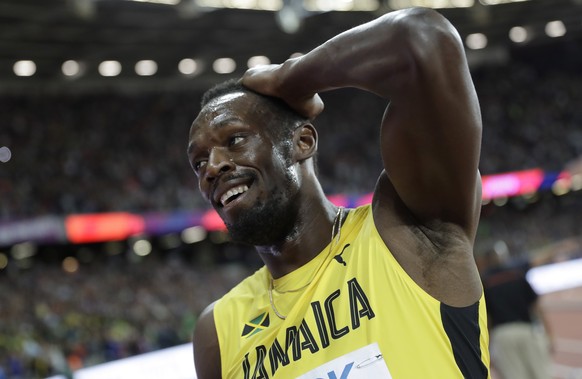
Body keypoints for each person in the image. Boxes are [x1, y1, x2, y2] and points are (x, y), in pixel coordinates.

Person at [188, 7, 489, 379]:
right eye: (199, 163)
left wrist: (292, 79)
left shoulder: (410, 227)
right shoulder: (217, 333)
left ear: (302, 141)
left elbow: (422, 39)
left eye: (234, 140)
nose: (212, 168)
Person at [482, 243, 553, 379]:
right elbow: (536, 306)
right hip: (526, 330)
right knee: (541, 374)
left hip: (502, 335)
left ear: (486, 261)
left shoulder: (484, 282)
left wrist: (488, 347)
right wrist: (549, 333)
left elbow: (487, 319)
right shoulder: (517, 275)